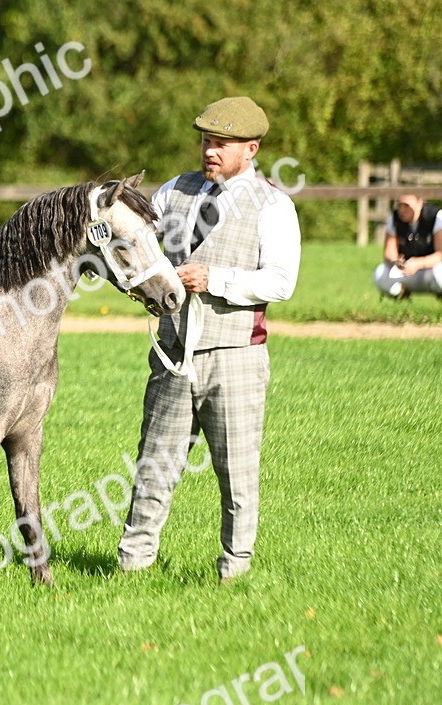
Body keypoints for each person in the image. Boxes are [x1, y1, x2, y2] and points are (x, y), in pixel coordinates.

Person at [117, 96, 301, 583]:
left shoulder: (274, 205)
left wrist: (214, 279)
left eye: (222, 144)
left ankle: (234, 572)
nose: (210, 151)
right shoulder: (173, 191)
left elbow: (282, 282)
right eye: (205, 141)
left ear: (252, 149)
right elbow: (140, 249)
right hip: (173, 354)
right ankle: (133, 566)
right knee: (154, 464)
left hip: (235, 355)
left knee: (236, 472)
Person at [373, 193, 442, 300]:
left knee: (441, 274)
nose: (401, 210)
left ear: (419, 203)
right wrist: (396, 261)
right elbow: (389, 253)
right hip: (407, 271)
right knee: (380, 273)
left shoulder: (435, 216)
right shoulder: (394, 218)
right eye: (399, 205)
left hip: (431, 270)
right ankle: (401, 295)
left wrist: (418, 263)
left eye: (406, 205)